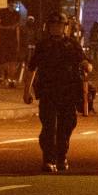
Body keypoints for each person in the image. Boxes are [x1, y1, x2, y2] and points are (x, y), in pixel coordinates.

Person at [21, 12, 91, 173]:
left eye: (59, 25)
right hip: (48, 92)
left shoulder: (72, 45)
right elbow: (32, 69)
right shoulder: (43, 46)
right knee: (49, 127)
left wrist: (87, 66)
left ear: (65, 27)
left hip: (68, 92)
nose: (56, 28)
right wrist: (26, 91)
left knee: (67, 126)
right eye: (53, 25)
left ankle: (61, 157)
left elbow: (84, 61)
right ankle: (49, 159)